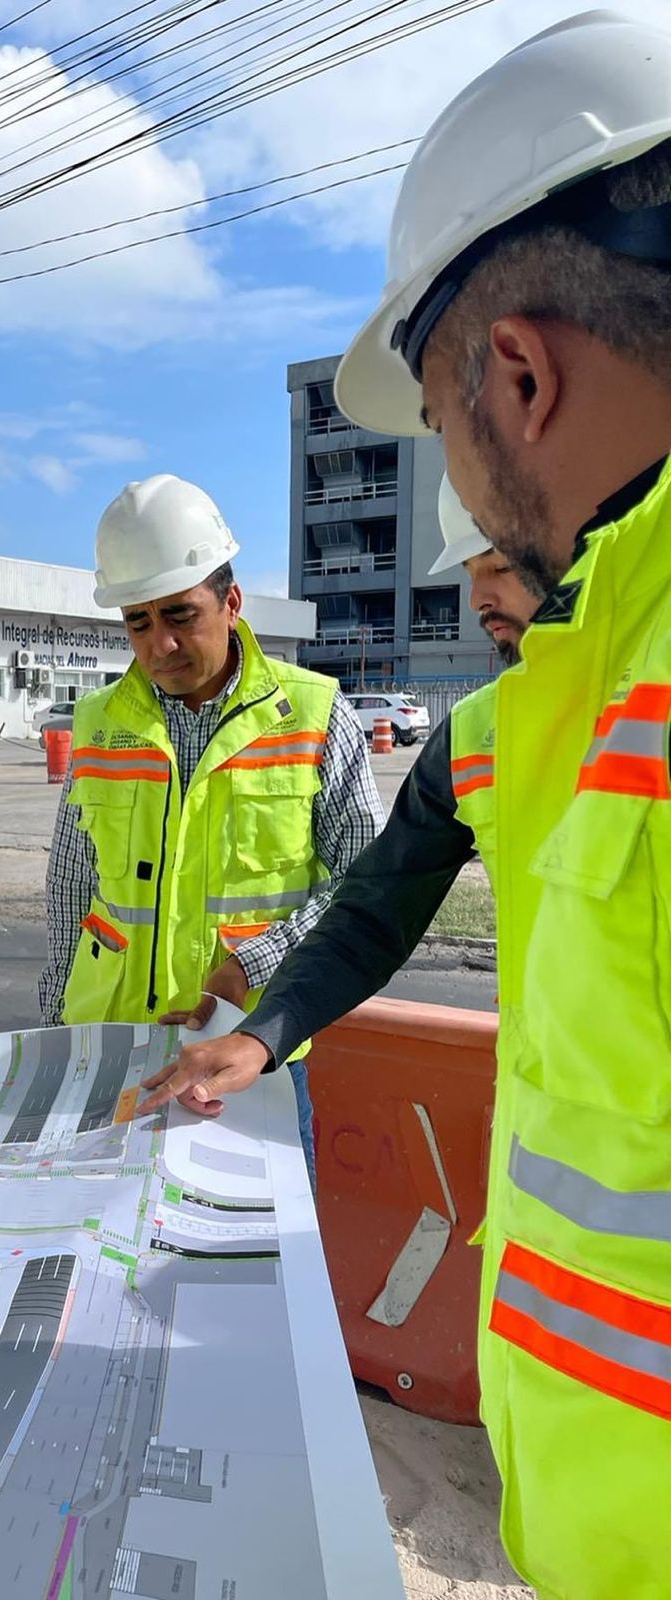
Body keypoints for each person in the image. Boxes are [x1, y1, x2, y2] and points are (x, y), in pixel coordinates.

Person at [182, 14, 671, 1598]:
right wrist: (265, 1031)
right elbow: (386, 895)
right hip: (593, 1511)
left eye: (447, 422)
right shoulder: (539, 704)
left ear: (518, 374)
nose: (465, 492)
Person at [139, 473, 535, 1115]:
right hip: (557, 1141)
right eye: (470, 572)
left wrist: (251, 975)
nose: (477, 601)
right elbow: (372, 913)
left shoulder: (316, 711)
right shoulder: (476, 735)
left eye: (499, 567)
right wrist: (261, 1036)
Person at [40, 473, 384, 1179]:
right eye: (139, 622)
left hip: (247, 1054)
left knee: (249, 1273)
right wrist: (55, 1039)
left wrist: (246, 969)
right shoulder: (102, 722)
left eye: (180, 615)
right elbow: (72, 893)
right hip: (112, 1053)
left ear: (230, 602)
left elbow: (363, 890)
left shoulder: (315, 714)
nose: (160, 643)